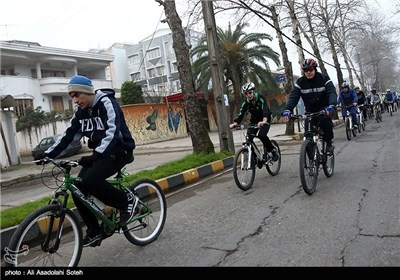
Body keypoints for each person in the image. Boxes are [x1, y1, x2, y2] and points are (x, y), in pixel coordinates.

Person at [34, 75, 137, 247]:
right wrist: (49, 154)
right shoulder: (81, 113)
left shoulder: (107, 103)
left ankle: (126, 200)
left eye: (77, 95)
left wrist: (95, 156)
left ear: (87, 92)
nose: (74, 100)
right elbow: (68, 137)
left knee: (90, 180)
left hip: (120, 151)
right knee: (78, 187)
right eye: (72, 96)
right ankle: (94, 231)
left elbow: (112, 132)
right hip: (101, 154)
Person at [282, 58, 337, 154]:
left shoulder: (324, 79)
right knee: (308, 135)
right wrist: (287, 110)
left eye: (310, 70)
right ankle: (311, 159)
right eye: (306, 71)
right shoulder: (300, 82)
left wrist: (331, 105)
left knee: (326, 122)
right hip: (310, 111)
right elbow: (293, 97)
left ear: (315, 69)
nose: (308, 72)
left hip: (324, 108)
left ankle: (329, 143)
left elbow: (332, 92)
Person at [229, 82, 279, 161]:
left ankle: (272, 150)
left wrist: (264, 121)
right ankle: (255, 158)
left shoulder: (260, 98)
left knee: (262, 135)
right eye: (246, 94)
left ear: (253, 92)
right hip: (255, 121)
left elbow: (265, 109)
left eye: (250, 92)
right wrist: (235, 123)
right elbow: (241, 114)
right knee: (248, 140)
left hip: (265, 119)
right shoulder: (246, 103)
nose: (248, 95)